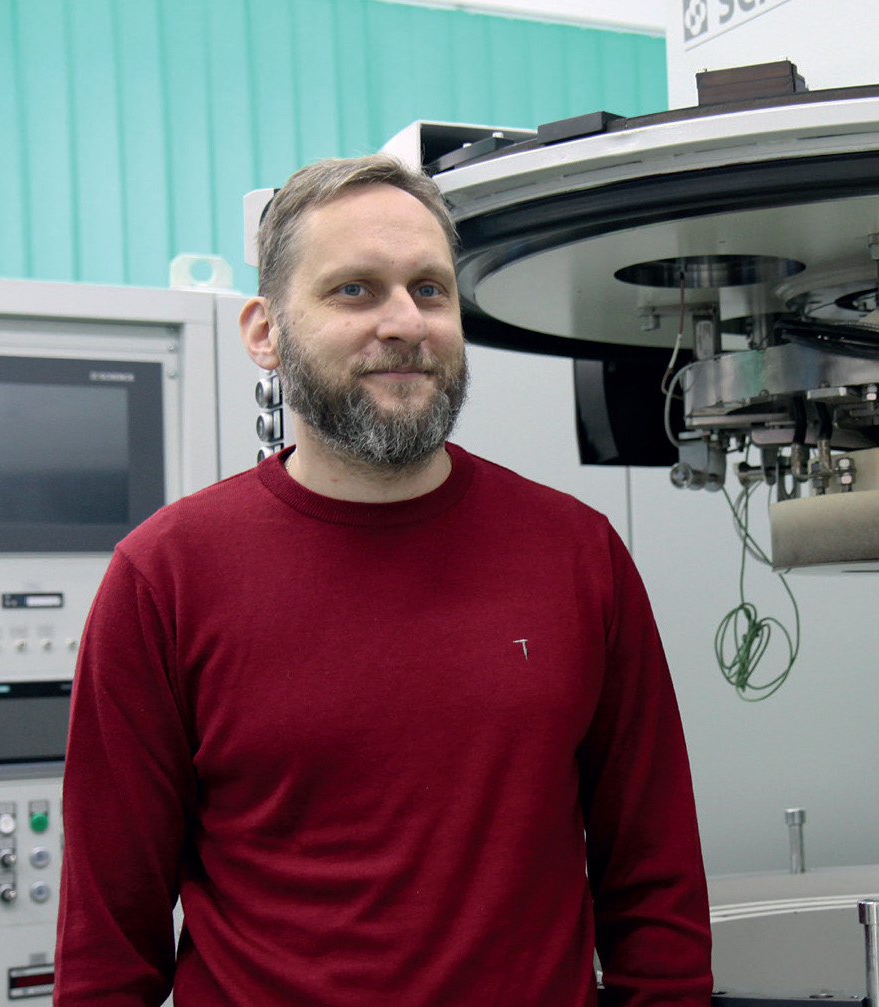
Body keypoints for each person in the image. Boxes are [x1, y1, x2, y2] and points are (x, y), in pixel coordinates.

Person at [54, 154, 712, 1006]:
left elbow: (654, 880)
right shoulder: (164, 577)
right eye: (354, 290)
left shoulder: (576, 554)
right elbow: (108, 943)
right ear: (264, 331)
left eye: (429, 289)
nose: (404, 321)